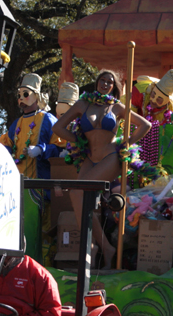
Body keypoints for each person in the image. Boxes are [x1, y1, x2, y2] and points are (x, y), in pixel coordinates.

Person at [52, 70, 152, 269]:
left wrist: (126, 144)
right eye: (102, 80)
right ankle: (104, 247)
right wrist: (78, 140)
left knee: (79, 192)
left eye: (109, 82)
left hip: (110, 156)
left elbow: (145, 125)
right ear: (96, 83)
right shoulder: (82, 104)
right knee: (76, 196)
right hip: (89, 157)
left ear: (114, 87)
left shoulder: (117, 108)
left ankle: (92, 245)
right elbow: (58, 128)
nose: (105, 84)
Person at [130, 70, 173, 168]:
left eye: (159, 99)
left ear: (168, 101)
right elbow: (128, 113)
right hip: (140, 138)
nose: (153, 100)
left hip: (165, 143)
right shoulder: (142, 91)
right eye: (153, 95)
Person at [0, 73, 57, 180]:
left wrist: (40, 149)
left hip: (40, 186)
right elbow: (5, 144)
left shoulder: (48, 120)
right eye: (19, 95)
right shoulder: (16, 124)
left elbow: (60, 148)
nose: (21, 98)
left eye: (25, 94)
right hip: (17, 185)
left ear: (36, 96)